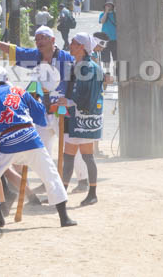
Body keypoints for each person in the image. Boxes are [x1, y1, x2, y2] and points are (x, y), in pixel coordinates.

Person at [0, 62, 76, 228]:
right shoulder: (20, 91)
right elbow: (40, 115)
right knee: (50, 175)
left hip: (7, 143)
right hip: (31, 139)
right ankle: (64, 217)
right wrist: (38, 101)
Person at [60, 34, 104, 206]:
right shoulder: (77, 65)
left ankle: (92, 193)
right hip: (74, 115)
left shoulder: (89, 67)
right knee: (68, 155)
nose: (70, 45)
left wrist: (70, 102)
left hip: (86, 116)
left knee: (87, 155)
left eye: (74, 43)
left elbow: (89, 94)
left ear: (82, 47)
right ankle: (62, 192)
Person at [99, 1, 117, 68]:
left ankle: (116, 71)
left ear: (113, 6)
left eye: (110, 5)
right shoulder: (102, 14)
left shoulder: (115, 15)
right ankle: (107, 72)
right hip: (105, 40)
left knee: (116, 57)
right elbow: (102, 21)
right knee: (105, 58)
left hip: (115, 39)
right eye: (107, 5)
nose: (108, 6)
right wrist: (106, 12)